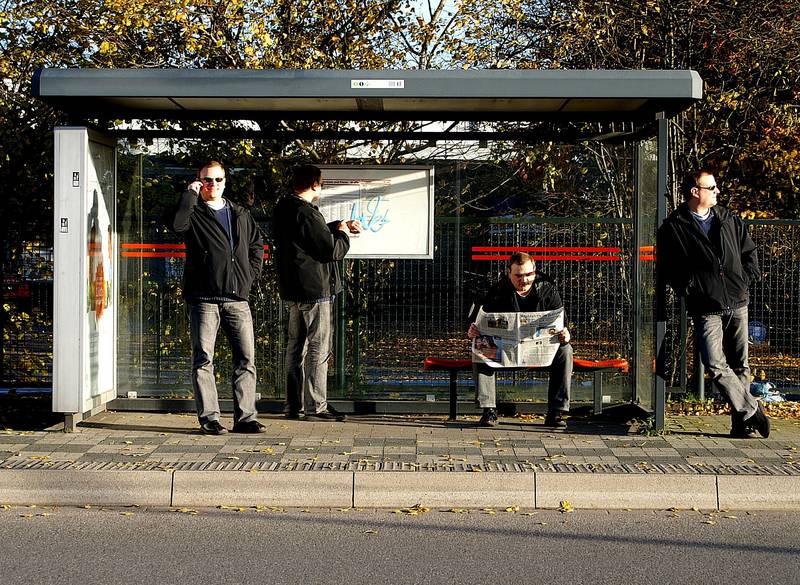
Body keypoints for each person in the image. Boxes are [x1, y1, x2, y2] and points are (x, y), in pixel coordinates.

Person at [657, 169, 769, 438]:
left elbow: (748, 252)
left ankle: (742, 424)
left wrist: (743, 280)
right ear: (696, 192)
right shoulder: (675, 227)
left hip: (737, 300)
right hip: (706, 306)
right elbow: (670, 268)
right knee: (715, 363)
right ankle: (752, 409)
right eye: (712, 187)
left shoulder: (728, 218)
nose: (717, 191)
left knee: (741, 364)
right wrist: (691, 289)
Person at [166, 161, 265, 435]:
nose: (213, 185)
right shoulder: (193, 210)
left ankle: (245, 418)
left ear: (225, 181)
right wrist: (189, 195)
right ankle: (209, 418)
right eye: (207, 180)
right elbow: (176, 225)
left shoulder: (240, 213)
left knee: (246, 359)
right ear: (199, 181)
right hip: (204, 297)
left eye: (218, 179)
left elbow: (257, 244)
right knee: (203, 359)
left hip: (237, 297)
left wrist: (250, 276)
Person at [272, 164, 362, 421]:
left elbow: (307, 235)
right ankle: (316, 406)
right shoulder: (307, 212)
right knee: (318, 349)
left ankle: (293, 405)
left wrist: (335, 224)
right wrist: (343, 234)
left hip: (292, 288)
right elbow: (330, 251)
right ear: (314, 184)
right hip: (315, 289)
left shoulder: (284, 208)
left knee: (295, 348)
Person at [467, 252, 572, 427]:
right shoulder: (498, 291)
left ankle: (556, 412)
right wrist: (473, 330)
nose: (524, 280)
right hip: (507, 351)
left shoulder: (547, 289)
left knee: (566, 350)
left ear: (535, 271)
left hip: (538, 350)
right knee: (481, 346)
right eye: (519, 276)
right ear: (509, 273)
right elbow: (479, 320)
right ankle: (489, 410)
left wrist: (566, 335)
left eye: (529, 275)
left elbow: (563, 322)